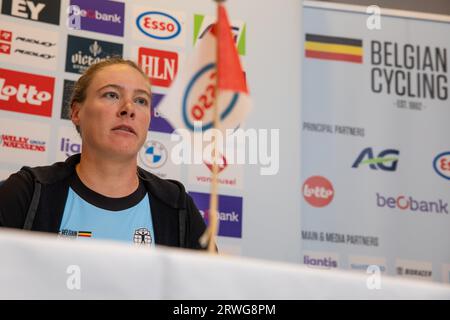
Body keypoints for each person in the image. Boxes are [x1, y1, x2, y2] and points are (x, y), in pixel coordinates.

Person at [0, 57, 208, 250]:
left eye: (141, 100)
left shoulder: (177, 206)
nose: (129, 108)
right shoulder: (28, 192)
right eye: (111, 95)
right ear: (76, 112)